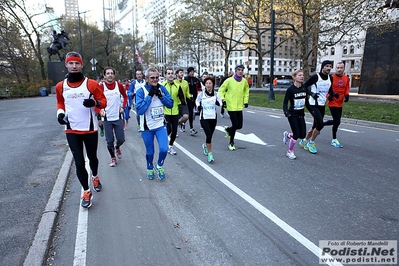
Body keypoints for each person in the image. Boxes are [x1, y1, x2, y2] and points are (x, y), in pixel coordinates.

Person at [56, 51, 107, 208]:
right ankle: (86, 191)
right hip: (71, 130)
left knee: (92, 158)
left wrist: (95, 104)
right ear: (66, 64)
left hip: (90, 129)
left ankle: (96, 176)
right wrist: (60, 114)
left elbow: (103, 101)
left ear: (81, 64)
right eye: (71, 63)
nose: (74, 66)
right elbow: (60, 103)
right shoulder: (60, 86)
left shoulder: (91, 84)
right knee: (78, 162)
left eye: (77, 63)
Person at [135, 67, 173, 180]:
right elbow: (140, 110)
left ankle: (159, 165)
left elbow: (170, 104)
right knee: (150, 152)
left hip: (160, 125)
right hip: (147, 127)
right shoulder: (141, 91)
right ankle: (150, 167)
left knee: (164, 149)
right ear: (146, 79)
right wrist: (150, 96)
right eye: (152, 78)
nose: (155, 80)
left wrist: (161, 96)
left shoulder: (162, 88)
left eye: (157, 77)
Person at [299, 60, 334, 154]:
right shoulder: (315, 77)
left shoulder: (330, 78)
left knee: (315, 125)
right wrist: (312, 93)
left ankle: (304, 141)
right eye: (327, 66)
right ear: (322, 67)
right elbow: (304, 87)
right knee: (320, 124)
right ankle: (311, 142)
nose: (328, 68)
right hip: (313, 104)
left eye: (330, 66)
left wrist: (333, 94)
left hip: (322, 104)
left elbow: (330, 90)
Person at [98, 67, 128, 167]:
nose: (110, 75)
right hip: (107, 118)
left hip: (117, 116)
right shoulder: (101, 86)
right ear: (104, 76)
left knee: (121, 139)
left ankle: (117, 147)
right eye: (108, 73)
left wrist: (123, 107)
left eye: (112, 73)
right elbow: (95, 102)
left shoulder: (118, 85)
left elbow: (125, 97)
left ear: (114, 75)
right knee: (109, 140)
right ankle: (113, 158)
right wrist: (100, 111)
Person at [218, 65, 250, 151]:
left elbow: (246, 91)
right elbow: (221, 90)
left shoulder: (244, 81)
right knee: (235, 124)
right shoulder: (229, 80)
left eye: (242, 70)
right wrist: (223, 100)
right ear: (235, 71)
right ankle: (231, 143)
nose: (240, 71)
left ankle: (228, 129)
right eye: (239, 70)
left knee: (239, 126)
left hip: (239, 106)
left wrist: (246, 101)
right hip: (231, 106)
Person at [282, 70, 310, 159]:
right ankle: (290, 151)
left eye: (303, 75)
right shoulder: (290, 89)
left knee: (302, 135)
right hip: (292, 114)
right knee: (296, 134)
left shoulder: (304, 88)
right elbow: (285, 102)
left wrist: (313, 112)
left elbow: (307, 103)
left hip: (301, 114)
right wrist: (286, 112)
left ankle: (288, 135)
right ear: (294, 77)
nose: (302, 77)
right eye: (300, 75)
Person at [324, 62, 350, 148]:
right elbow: (326, 89)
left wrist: (347, 95)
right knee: (337, 121)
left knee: (336, 121)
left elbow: (346, 88)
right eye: (338, 68)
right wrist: (329, 96)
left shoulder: (346, 78)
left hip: (340, 102)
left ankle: (321, 124)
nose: (339, 69)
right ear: (335, 68)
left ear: (344, 69)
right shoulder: (331, 78)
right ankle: (334, 139)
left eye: (341, 68)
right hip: (333, 102)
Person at [196, 77, 222, 163]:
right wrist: (199, 106)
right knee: (209, 136)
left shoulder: (216, 94)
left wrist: (219, 103)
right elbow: (197, 101)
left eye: (210, 83)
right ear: (204, 84)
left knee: (209, 136)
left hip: (213, 118)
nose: (208, 85)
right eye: (207, 83)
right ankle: (210, 154)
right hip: (204, 118)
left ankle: (205, 146)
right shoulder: (201, 94)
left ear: (213, 84)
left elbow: (220, 103)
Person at [162, 68, 181, 155]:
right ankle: (163, 143)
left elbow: (181, 98)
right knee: (168, 129)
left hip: (175, 111)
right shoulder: (162, 86)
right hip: (165, 112)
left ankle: (171, 146)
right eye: (168, 73)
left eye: (172, 73)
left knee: (174, 130)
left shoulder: (177, 85)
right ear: (165, 75)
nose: (170, 75)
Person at [184, 67, 201, 136]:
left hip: (194, 99)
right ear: (188, 72)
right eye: (191, 71)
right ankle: (183, 123)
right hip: (186, 99)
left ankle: (191, 128)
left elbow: (199, 89)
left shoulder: (196, 80)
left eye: (193, 71)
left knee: (190, 113)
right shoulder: (185, 80)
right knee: (187, 114)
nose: (192, 73)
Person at [174, 69, 190, 133]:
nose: (182, 74)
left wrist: (190, 96)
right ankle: (174, 131)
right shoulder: (174, 82)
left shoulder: (185, 82)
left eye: (182, 72)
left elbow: (187, 93)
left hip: (183, 102)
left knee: (186, 116)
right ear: (177, 74)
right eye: (180, 72)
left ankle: (179, 123)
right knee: (175, 118)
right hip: (176, 103)